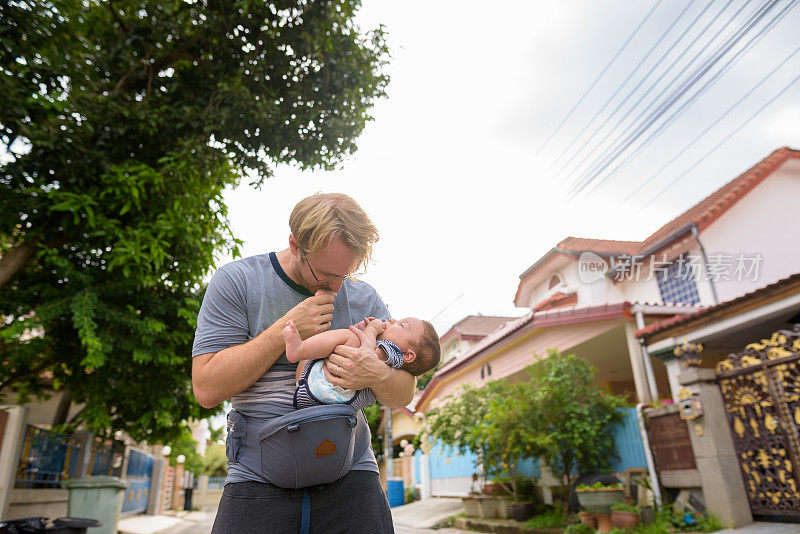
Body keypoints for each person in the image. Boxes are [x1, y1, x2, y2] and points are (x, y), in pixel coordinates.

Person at [192, 193, 416, 533]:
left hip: (350, 475)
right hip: (258, 476)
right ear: (296, 244)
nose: (339, 286)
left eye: (347, 273)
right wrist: (285, 328)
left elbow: (404, 392)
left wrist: (377, 372)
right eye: (326, 274)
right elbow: (206, 388)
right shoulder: (238, 282)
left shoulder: (365, 298)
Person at [285, 316, 440, 409]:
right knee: (341, 344)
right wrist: (364, 332)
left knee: (349, 337)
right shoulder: (393, 361)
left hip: (317, 392)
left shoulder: (392, 353)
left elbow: (367, 355)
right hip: (324, 399)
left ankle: (299, 349)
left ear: (407, 355)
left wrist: (370, 331)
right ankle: (301, 351)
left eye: (400, 325)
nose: (391, 320)